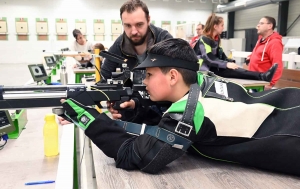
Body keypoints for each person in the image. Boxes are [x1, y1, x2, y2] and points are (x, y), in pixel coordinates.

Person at [61, 38, 300, 176]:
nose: (144, 82)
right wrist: (138, 107)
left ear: (173, 76)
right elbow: (166, 115)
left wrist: (88, 118)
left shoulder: (191, 111)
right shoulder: (204, 81)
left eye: (150, 75)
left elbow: (132, 156)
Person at [100, 0, 173, 84]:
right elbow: (105, 75)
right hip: (131, 96)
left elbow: (180, 75)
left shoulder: (164, 40)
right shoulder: (119, 44)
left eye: (139, 24)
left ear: (148, 20)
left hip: (161, 96)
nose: (134, 31)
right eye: (128, 25)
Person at [193, 13, 278, 82]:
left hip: (213, 67)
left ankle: (262, 76)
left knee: (236, 69)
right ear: (215, 26)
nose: (224, 27)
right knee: (234, 71)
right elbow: (208, 58)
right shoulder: (204, 39)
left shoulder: (216, 39)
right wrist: (226, 64)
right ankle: (262, 76)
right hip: (204, 69)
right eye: (222, 25)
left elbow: (221, 55)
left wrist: (231, 62)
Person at [246, 16, 283, 90]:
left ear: (270, 26)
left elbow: (277, 65)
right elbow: (259, 52)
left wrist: (270, 84)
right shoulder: (261, 40)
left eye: (261, 23)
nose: (258, 26)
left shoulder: (275, 43)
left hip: (262, 84)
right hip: (253, 81)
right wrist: (251, 56)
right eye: (258, 23)